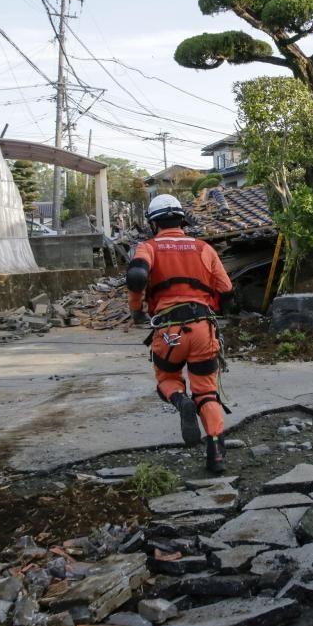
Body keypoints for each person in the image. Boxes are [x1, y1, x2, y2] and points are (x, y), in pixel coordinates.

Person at [126, 194, 235, 472]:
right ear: (182, 219)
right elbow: (226, 290)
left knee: (168, 378)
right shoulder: (204, 248)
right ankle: (216, 455)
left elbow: (137, 276)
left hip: (168, 331)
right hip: (202, 328)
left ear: (154, 223)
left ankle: (180, 400)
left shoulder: (148, 247)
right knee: (207, 391)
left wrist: (137, 310)